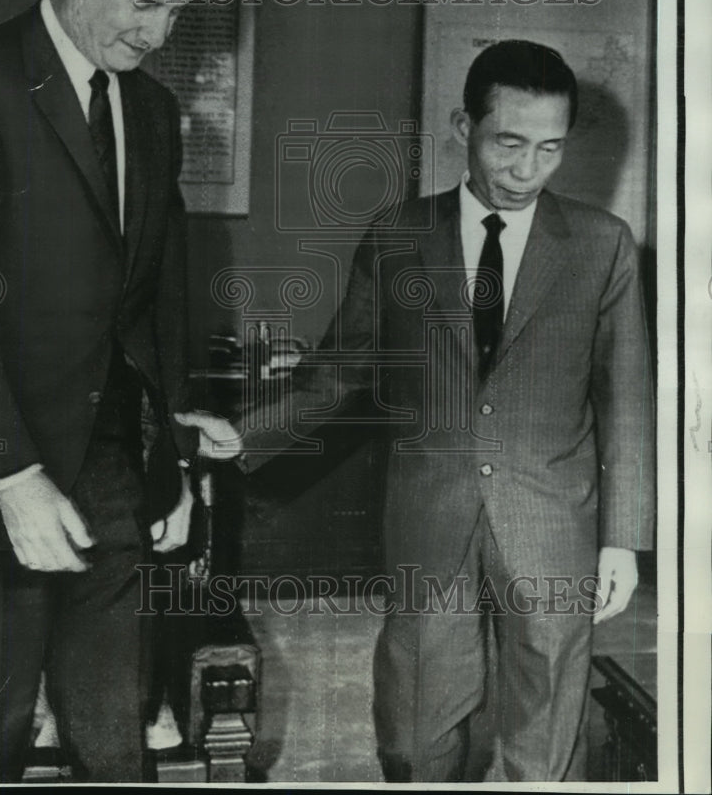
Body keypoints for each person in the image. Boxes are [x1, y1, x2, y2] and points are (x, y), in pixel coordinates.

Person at [231, 40, 655, 782]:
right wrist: (237, 435)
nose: (527, 170)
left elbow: (626, 398)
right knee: (414, 731)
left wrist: (622, 539)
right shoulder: (398, 236)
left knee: (546, 735)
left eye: (549, 149)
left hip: (553, 519)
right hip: (430, 516)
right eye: (509, 143)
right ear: (464, 127)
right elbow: (336, 375)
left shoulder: (601, 245)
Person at [0, 0, 231, 783]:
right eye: (143, 2)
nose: (159, 34)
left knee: (114, 743)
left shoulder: (155, 114)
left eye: (176, 11)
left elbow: (154, 304)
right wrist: (10, 474)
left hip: (112, 482)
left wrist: (166, 458)